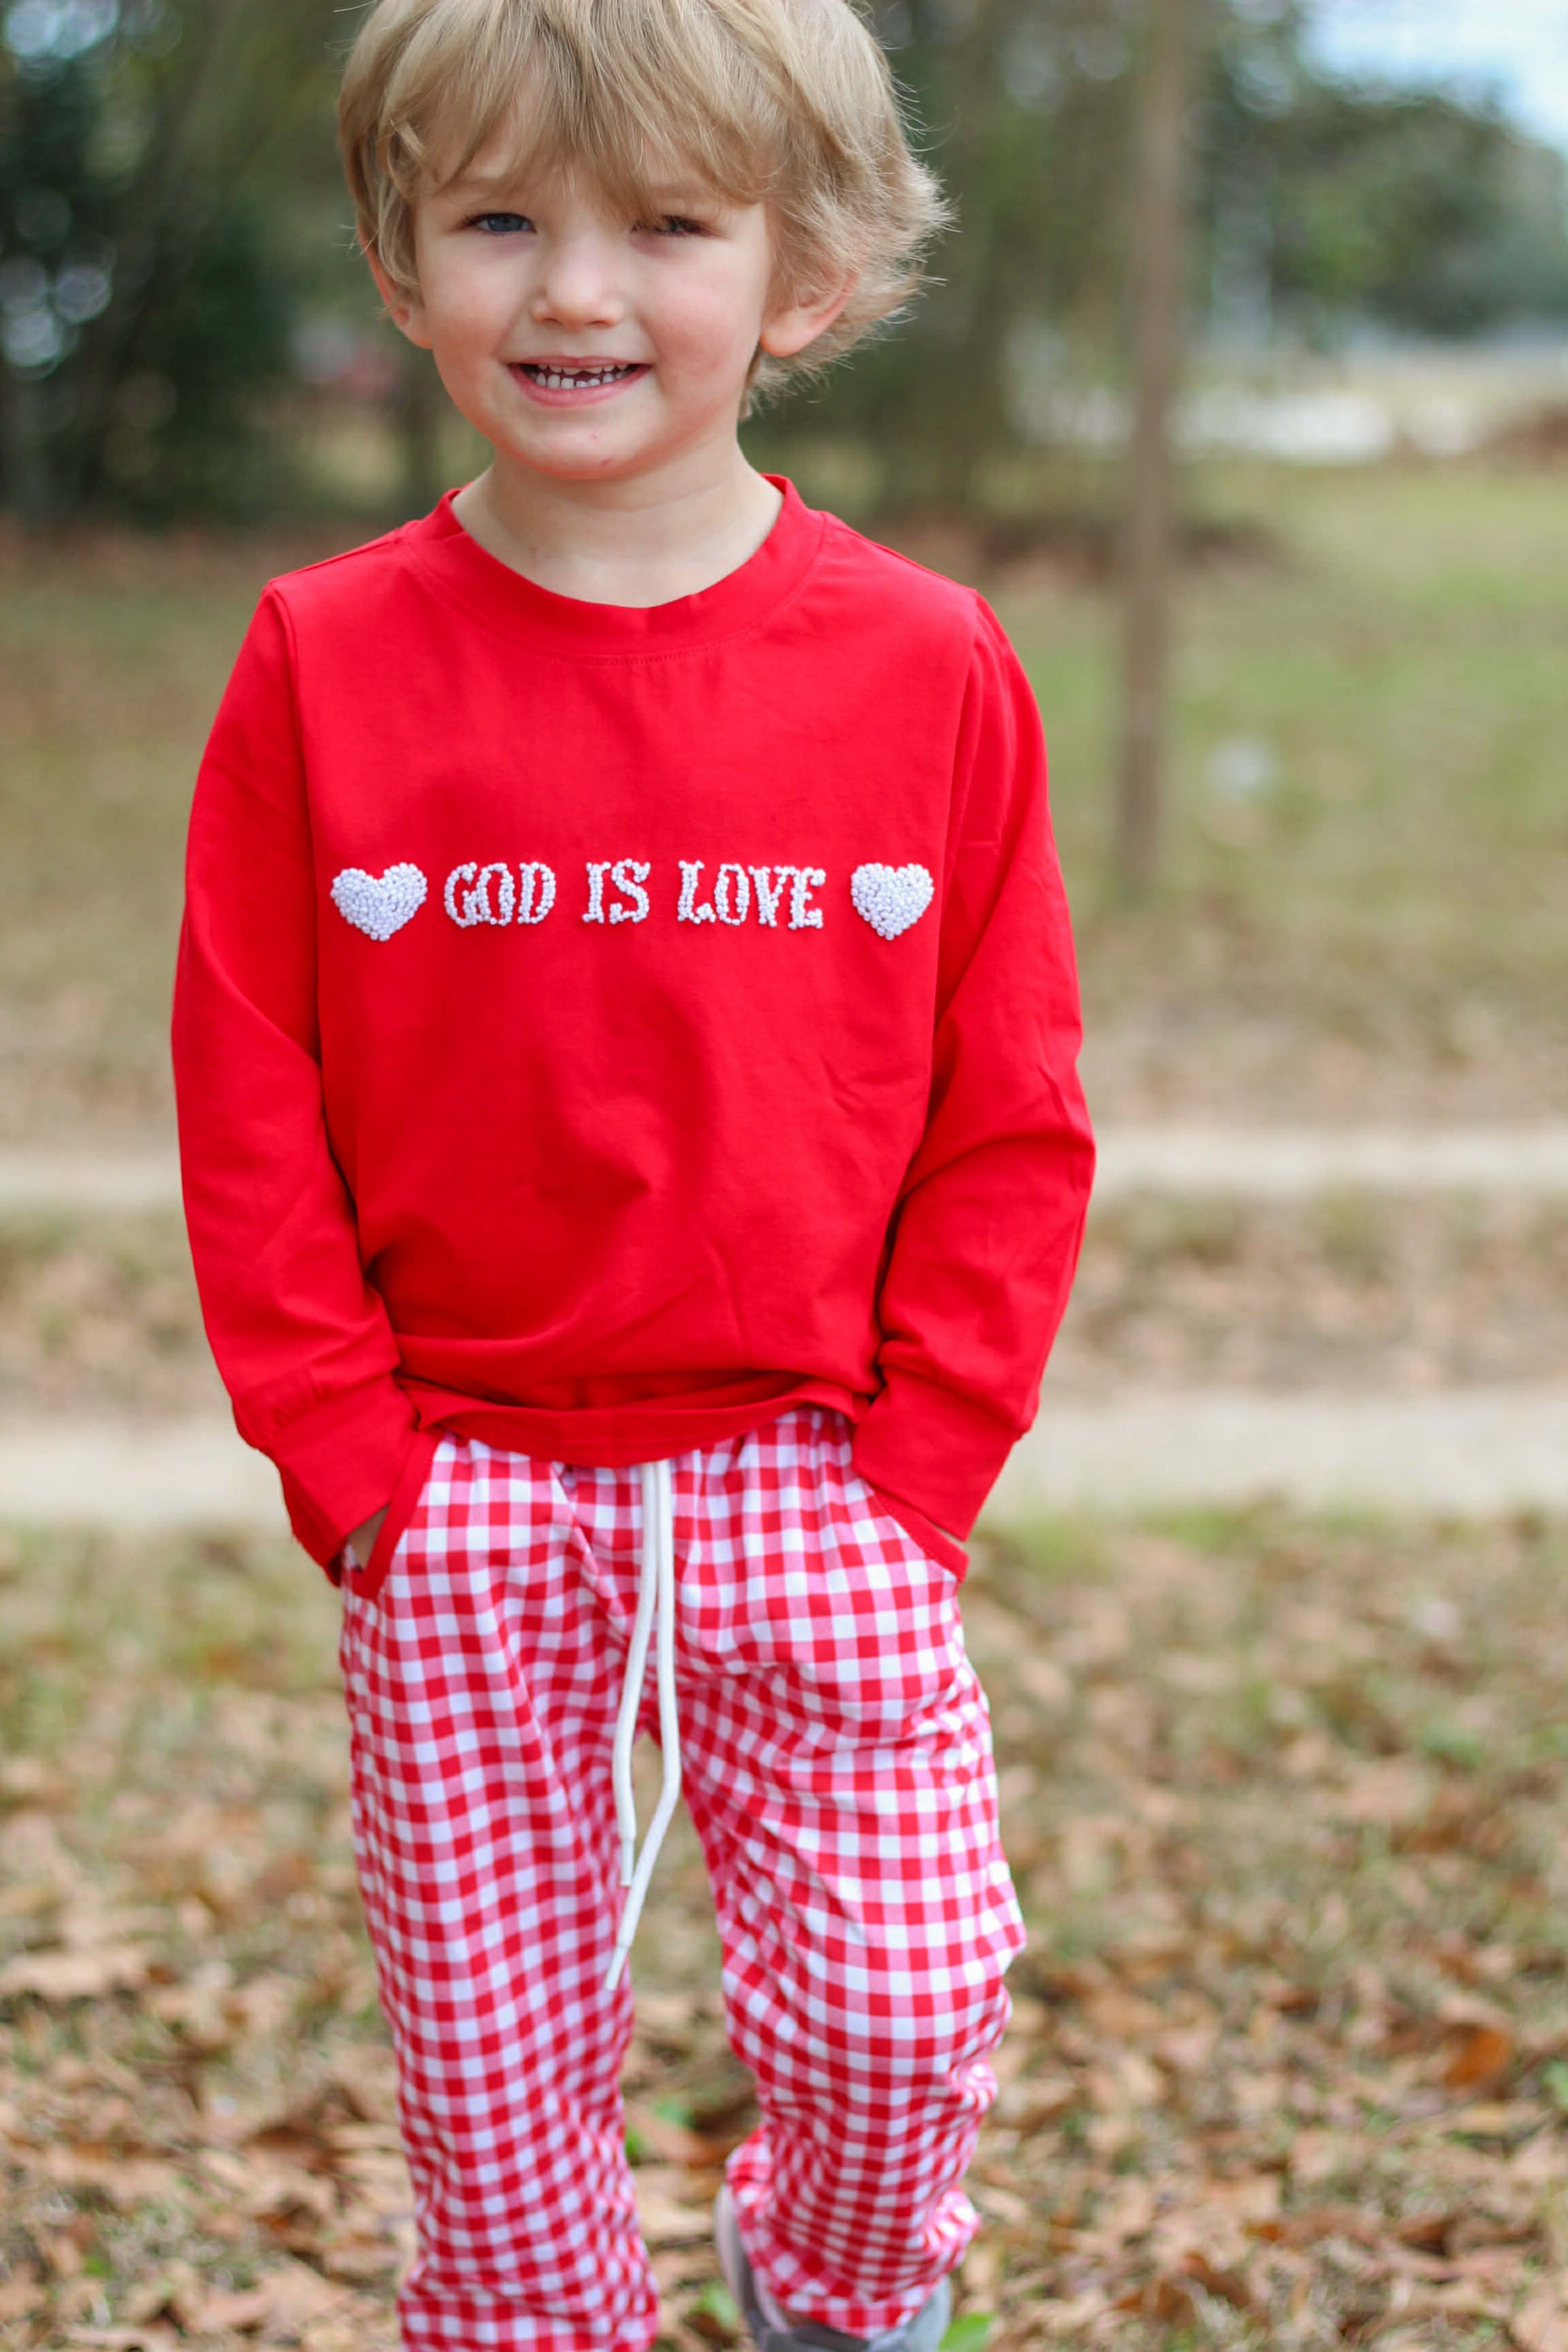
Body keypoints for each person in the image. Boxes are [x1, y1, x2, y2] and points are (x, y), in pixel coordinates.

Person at [172, 0, 1094, 2342]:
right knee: (497, 2130)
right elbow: (249, 1093)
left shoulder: (926, 663)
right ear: (403, 264)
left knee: (902, 2015)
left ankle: (825, 2281)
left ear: (804, 275)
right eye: (500, 219)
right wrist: (356, 1470)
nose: (574, 290)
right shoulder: (320, 659)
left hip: (818, 1472)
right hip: (461, 1485)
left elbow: (1010, 1109)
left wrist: (923, 1463)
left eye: (668, 225)